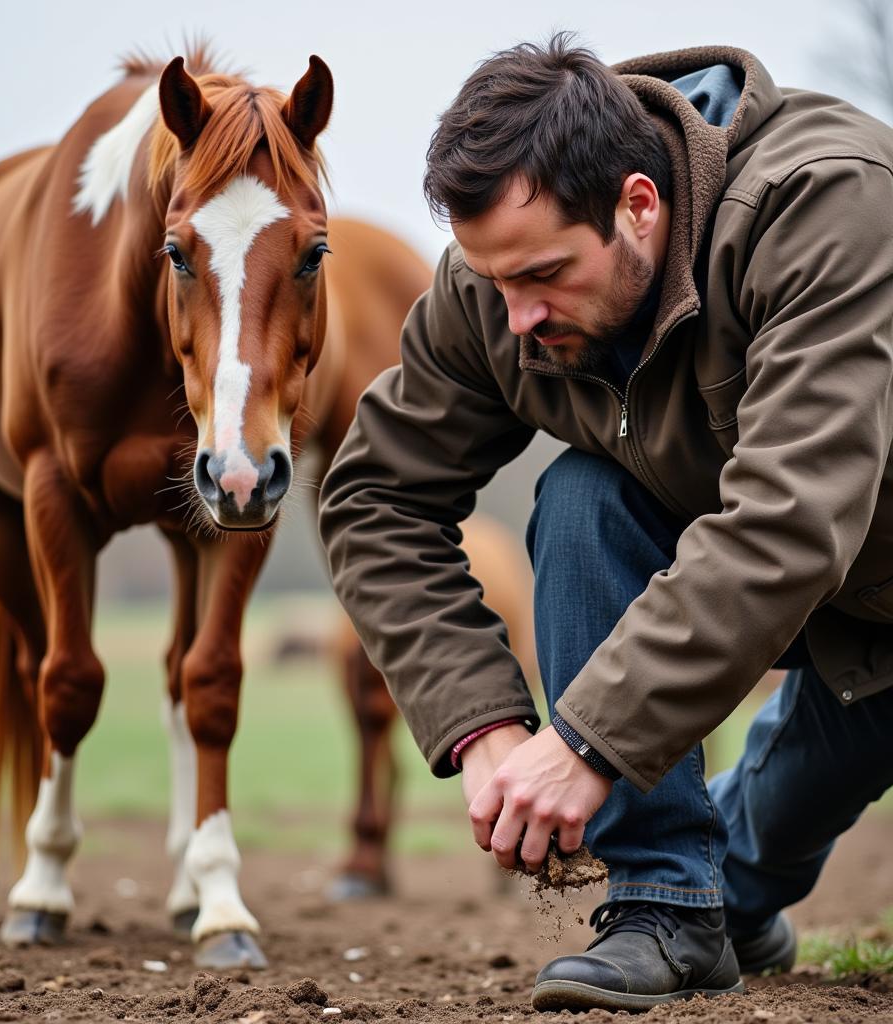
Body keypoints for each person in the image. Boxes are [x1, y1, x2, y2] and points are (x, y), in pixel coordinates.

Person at [318, 34, 893, 1013]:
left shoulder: (824, 205)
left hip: (847, 559)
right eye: (495, 282)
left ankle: (723, 889)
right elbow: (374, 497)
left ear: (639, 204)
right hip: (780, 591)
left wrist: (584, 742)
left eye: (542, 276)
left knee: (780, 820)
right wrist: (483, 723)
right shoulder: (500, 284)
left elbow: (790, 520)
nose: (517, 319)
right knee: (584, 492)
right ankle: (664, 905)